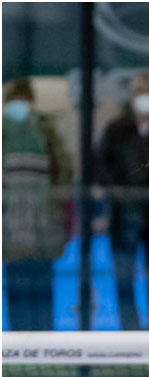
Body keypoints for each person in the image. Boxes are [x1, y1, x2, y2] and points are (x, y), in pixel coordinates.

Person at [97, 72, 149, 330]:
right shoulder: (116, 129)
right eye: (141, 93)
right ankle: (129, 331)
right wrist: (116, 193)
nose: (145, 98)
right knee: (123, 277)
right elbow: (101, 167)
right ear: (132, 97)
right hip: (124, 215)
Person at [2, 78, 72, 331]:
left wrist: (54, 203)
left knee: (42, 284)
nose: (18, 106)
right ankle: (19, 342)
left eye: (22, 100)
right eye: (13, 101)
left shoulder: (46, 130)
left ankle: (45, 340)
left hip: (43, 223)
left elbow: (64, 169)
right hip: (9, 225)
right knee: (16, 284)